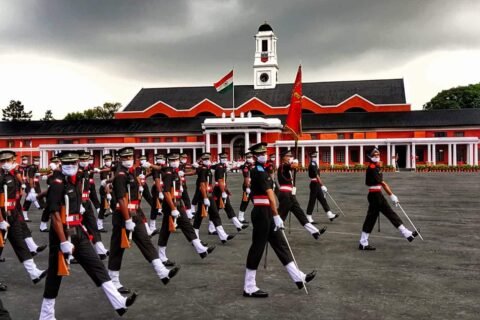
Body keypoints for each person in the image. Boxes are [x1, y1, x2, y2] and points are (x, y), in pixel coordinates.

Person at [40, 150, 137, 318]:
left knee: (97, 265)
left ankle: (118, 302)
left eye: (73, 164)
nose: (71, 167)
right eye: (67, 164)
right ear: (61, 165)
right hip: (62, 234)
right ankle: (46, 315)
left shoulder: (76, 180)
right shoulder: (57, 183)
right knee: (55, 275)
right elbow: (54, 215)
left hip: (78, 231)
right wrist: (63, 241)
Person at [243, 142, 316, 298]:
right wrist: (276, 215)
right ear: (256, 156)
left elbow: (273, 191)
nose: (264, 155)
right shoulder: (258, 171)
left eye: (265, 152)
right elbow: (270, 195)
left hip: (266, 212)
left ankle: (298, 277)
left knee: (281, 245)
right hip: (263, 213)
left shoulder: (265, 171)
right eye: (261, 153)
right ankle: (249, 286)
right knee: (257, 247)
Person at [108, 147, 180, 294]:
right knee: (118, 248)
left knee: (145, 241)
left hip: (135, 212)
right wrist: (127, 219)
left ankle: (162, 272)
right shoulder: (121, 174)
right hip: (123, 215)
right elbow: (121, 199)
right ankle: (113, 281)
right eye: (125, 157)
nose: (129, 159)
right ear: (121, 159)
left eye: (130, 157)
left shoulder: (129, 172)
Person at [156, 153, 215, 265]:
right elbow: (167, 192)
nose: (175, 161)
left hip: (178, 203)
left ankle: (201, 250)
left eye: (176, 159)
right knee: (166, 230)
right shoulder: (169, 174)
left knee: (187, 226)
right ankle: (161, 257)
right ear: (169, 161)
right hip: (171, 205)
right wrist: (173, 208)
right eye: (172, 160)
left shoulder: (175, 172)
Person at [0, 150, 47, 284]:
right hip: (3, 216)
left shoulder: (13, 175)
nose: (5, 163)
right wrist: (1, 221)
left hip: (13, 214)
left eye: (7, 161)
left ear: (13, 161)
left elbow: (18, 191)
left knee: (20, 244)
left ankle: (34, 273)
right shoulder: (0, 177)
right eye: (2, 161)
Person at [358, 148, 418, 250]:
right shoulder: (372, 168)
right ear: (371, 157)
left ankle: (363, 242)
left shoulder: (376, 167)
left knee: (371, 219)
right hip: (375, 195)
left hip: (376, 194)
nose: (377, 157)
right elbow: (382, 183)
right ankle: (406, 233)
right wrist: (392, 195)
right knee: (389, 213)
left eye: (378, 155)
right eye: (375, 155)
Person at [277, 149, 326, 239]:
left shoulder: (286, 166)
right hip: (285, 195)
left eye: (290, 156)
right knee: (280, 217)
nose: (290, 157)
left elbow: (294, 168)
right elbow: (295, 166)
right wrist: (295, 162)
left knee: (300, 214)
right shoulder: (283, 166)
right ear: (283, 157)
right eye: (288, 156)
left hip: (290, 194)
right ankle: (274, 233)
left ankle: (315, 232)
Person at [192, 153, 234, 243]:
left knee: (215, 214)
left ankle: (223, 236)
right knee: (199, 217)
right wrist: (205, 197)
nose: (208, 161)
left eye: (209, 159)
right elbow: (202, 185)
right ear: (202, 161)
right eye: (206, 160)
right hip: (204, 196)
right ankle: (195, 238)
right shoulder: (203, 170)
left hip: (209, 195)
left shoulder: (207, 169)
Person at [213, 153, 248, 232]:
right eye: (223, 158)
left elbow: (224, 181)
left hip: (221, 189)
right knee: (216, 209)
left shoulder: (223, 167)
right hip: (218, 190)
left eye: (225, 157)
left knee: (223, 208)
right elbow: (220, 181)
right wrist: (223, 192)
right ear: (219, 158)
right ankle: (212, 228)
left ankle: (238, 225)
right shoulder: (219, 167)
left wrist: (226, 190)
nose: (224, 159)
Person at [306, 151, 338, 224]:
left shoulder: (315, 164)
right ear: (311, 157)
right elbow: (317, 176)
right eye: (314, 156)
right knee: (312, 200)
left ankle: (329, 214)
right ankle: (308, 216)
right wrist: (322, 185)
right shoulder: (313, 164)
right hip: (314, 183)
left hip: (316, 184)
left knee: (322, 199)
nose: (315, 157)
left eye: (316, 156)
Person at [237, 152, 254, 224]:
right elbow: (246, 177)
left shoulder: (252, 165)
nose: (250, 158)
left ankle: (240, 217)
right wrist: (247, 187)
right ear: (246, 158)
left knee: (252, 201)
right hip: (248, 186)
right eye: (249, 157)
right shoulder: (246, 166)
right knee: (245, 201)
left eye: (251, 157)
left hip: (253, 185)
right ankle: (240, 217)